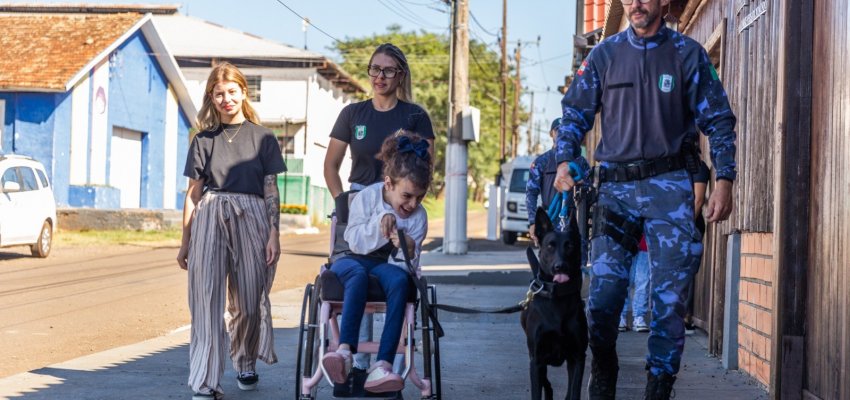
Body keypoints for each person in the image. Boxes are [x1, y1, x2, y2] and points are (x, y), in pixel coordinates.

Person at [551, 0, 737, 398]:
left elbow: (719, 118)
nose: (635, 4)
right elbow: (574, 114)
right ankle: (603, 362)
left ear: (663, 2)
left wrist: (725, 179)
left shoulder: (688, 54)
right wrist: (565, 158)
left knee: (669, 303)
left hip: (670, 187)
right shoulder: (605, 55)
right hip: (614, 192)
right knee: (602, 300)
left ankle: (659, 385)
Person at [323, 42, 434, 396]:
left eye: (387, 70)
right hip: (362, 198)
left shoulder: (415, 115)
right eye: (374, 69)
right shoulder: (353, 113)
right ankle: (354, 365)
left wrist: (407, 203)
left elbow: (424, 168)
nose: (379, 76)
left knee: (391, 281)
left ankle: (385, 367)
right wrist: (343, 201)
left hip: (400, 195)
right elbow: (331, 164)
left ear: (401, 74)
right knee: (357, 275)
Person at [177, 62, 287, 400]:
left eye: (232, 91)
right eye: (219, 93)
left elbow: (271, 189)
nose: (226, 98)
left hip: (253, 216)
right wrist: (185, 242)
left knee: (249, 302)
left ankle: (244, 360)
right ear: (211, 97)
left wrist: (274, 232)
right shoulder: (203, 140)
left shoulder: (264, 137)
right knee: (206, 299)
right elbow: (193, 194)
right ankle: (206, 379)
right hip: (211, 215)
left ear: (243, 92)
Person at [526, 117, 590, 245]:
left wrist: (581, 184)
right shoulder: (541, 162)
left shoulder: (580, 162)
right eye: (557, 130)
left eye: (564, 130)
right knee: (551, 260)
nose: (561, 133)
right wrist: (533, 222)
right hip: (551, 219)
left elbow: (590, 189)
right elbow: (531, 193)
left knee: (578, 259)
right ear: (551, 134)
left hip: (576, 219)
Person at [684, 159, 710, 334]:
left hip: (689, 227)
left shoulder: (698, 167)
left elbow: (698, 201)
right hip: (667, 227)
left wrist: (683, 228)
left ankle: (685, 318)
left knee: (686, 273)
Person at [619, 234, 650, 333]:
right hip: (627, 241)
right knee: (626, 281)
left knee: (643, 281)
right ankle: (621, 316)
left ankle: (638, 317)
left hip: (644, 242)